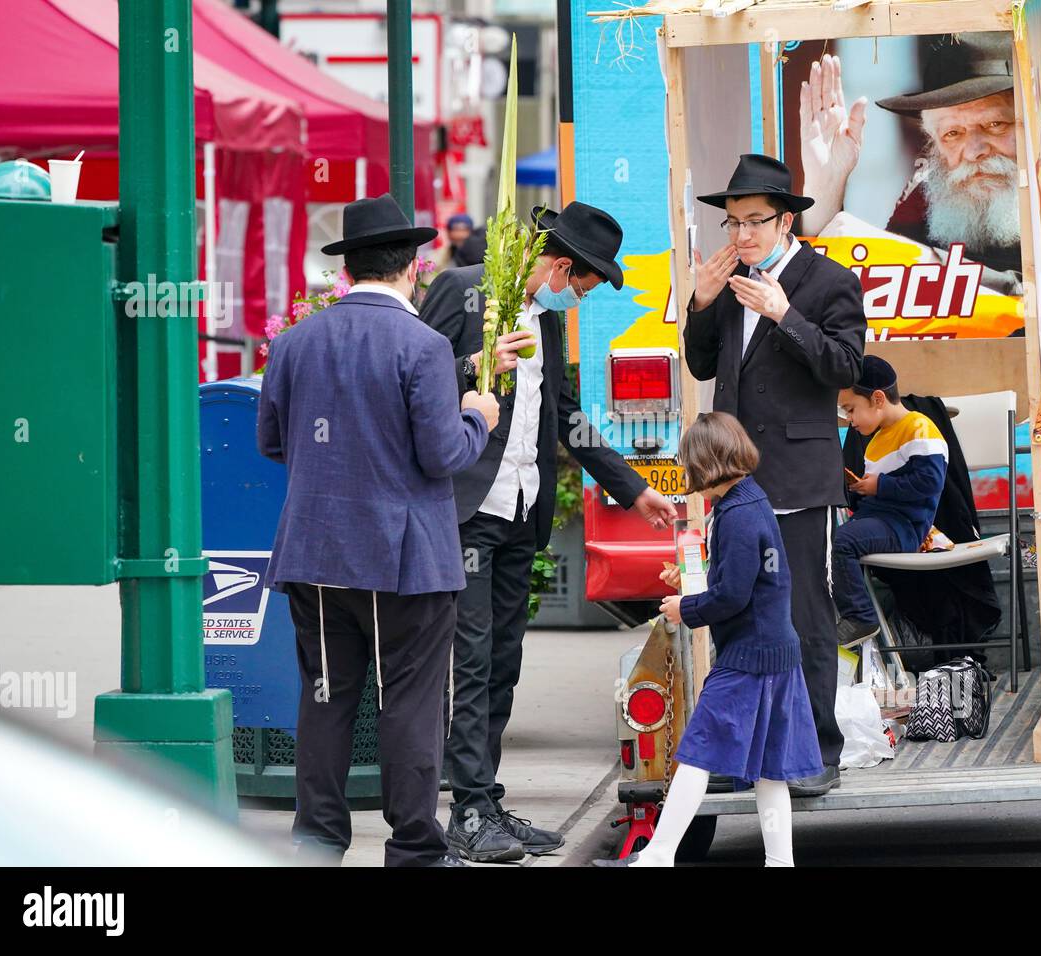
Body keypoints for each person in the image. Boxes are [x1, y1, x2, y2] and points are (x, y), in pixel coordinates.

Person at [420, 201, 680, 862]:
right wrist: (477, 365)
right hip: (467, 509)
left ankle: (484, 799)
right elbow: (415, 384)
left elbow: (564, 416)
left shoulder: (549, 324)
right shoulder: (464, 289)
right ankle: (466, 811)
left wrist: (634, 487)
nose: (581, 299)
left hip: (519, 511)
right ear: (563, 265)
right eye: (585, 287)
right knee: (471, 662)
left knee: (503, 660)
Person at [257, 193, 500, 868]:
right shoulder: (423, 346)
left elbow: (272, 440)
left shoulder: (295, 341)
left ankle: (317, 841)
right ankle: (415, 849)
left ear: (349, 266)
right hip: (406, 562)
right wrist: (479, 414)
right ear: (412, 266)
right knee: (409, 707)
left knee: (327, 700)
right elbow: (443, 455)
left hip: (315, 555)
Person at [684, 153, 865, 797]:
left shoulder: (828, 281)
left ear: (787, 221)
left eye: (754, 221)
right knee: (738, 613)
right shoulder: (730, 279)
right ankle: (743, 753)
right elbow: (703, 367)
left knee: (805, 615)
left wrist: (786, 315)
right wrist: (702, 304)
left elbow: (845, 367)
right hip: (733, 480)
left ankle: (818, 751)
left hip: (798, 476)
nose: (741, 236)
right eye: (732, 223)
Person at [798, 34, 1041, 328]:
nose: (973, 150)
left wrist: (922, 265)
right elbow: (860, 291)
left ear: (1038, 118)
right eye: (952, 133)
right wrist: (825, 189)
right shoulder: (938, 179)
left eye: (994, 125)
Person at [593, 413, 823, 867]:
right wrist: (694, 578)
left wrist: (687, 608)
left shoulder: (735, 514)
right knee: (770, 771)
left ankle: (658, 856)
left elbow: (735, 595)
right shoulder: (751, 501)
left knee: (697, 753)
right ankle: (780, 862)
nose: (684, 472)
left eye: (687, 462)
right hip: (776, 653)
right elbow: (748, 576)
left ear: (705, 464)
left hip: (747, 658)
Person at [834, 356, 948, 645]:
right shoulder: (877, 438)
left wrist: (878, 486)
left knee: (841, 542)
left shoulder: (918, 427)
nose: (849, 419)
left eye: (850, 409)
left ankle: (860, 616)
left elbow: (930, 481)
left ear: (878, 399)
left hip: (903, 527)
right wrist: (860, 489)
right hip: (880, 520)